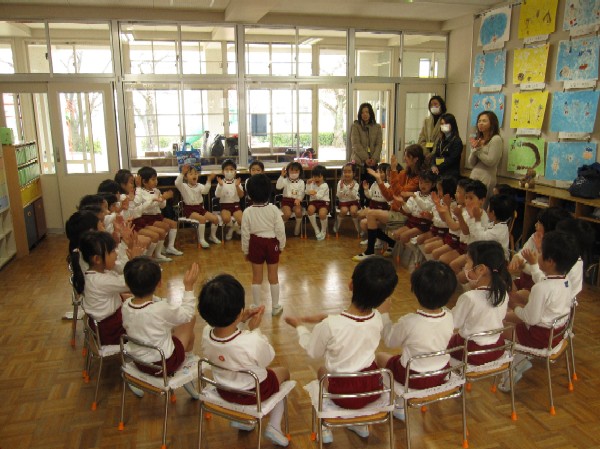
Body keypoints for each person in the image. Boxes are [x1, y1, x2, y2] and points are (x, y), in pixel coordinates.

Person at [285, 257, 398, 443]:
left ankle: (325, 426)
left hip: (343, 392)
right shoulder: (378, 318)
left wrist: (299, 326)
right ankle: (360, 424)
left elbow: (312, 351)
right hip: (372, 387)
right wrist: (327, 317)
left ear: (350, 285)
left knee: (321, 371)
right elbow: (352, 325)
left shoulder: (331, 325)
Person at [198, 274, 291, 447]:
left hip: (224, 390)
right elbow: (268, 358)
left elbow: (228, 341)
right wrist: (255, 330)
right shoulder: (250, 340)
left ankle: (245, 421)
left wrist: (240, 321)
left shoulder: (205, 334)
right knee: (283, 373)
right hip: (254, 392)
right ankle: (274, 426)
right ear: (240, 311)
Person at [376, 260, 456, 421]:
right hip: (441, 373)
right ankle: (399, 404)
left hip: (413, 377)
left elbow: (390, 341)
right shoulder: (450, 316)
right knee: (403, 357)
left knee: (380, 356)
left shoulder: (410, 321)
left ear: (416, 290)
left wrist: (384, 314)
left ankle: (396, 404)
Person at [500, 231, 580, 391]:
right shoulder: (565, 281)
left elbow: (530, 319)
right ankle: (520, 361)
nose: (538, 254)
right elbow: (542, 282)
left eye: (541, 252)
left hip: (539, 338)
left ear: (550, 261)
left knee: (500, 329)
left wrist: (514, 306)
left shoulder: (541, 288)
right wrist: (534, 264)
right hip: (556, 334)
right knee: (511, 316)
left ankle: (511, 370)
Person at [121, 257, 199, 398]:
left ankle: (185, 361)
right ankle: (185, 368)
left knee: (179, 329)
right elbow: (187, 314)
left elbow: (155, 308)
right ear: (159, 283)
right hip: (163, 365)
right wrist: (188, 287)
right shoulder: (160, 309)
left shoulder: (126, 305)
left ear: (127, 283)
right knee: (190, 321)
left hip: (139, 362)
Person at [353, 146, 423, 261]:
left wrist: (394, 170)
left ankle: (370, 251)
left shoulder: (418, 178)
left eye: (407, 156)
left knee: (370, 214)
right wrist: (379, 180)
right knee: (364, 223)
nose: (404, 159)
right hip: (395, 212)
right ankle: (390, 242)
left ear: (415, 159)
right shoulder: (404, 173)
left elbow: (400, 192)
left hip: (406, 215)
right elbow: (389, 196)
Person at [448, 241, 511, 365]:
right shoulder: (503, 294)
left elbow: (453, 323)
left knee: (440, 341)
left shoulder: (469, 297)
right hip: (496, 348)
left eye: (467, 262)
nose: (465, 266)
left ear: (481, 269)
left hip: (472, 352)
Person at [71, 230, 128, 345]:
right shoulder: (101, 280)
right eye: (112, 251)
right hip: (111, 331)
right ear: (97, 259)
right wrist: (135, 258)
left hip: (106, 325)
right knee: (147, 321)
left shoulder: (95, 274)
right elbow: (133, 283)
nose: (116, 254)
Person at [242, 174, 286, 316]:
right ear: (269, 192)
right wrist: (281, 245)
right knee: (273, 276)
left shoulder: (247, 212)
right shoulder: (274, 209)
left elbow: (245, 234)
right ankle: (275, 306)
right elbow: (280, 230)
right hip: (272, 244)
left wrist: (246, 251)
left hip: (255, 244)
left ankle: (256, 306)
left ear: (249, 194)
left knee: (256, 277)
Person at [508, 207, 571, 291]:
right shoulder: (535, 236)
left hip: (539, 285)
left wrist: (523, 266)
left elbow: (542, 273)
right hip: (526, 279)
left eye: (540, 223)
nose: (535, 225)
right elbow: (524, 251)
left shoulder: (555, 248)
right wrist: (517, 257)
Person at [438, 180, 488, 274]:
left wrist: (459, 216)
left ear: (481, 200)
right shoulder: (468, 211)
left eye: (471, 198)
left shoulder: (481, 215)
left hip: (476, 252)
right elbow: (465, 232)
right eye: (466, 197)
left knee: (452, 264)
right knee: (447, 262)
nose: (467, 201)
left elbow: (473, 236)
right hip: (466, 248)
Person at [133, 166, 182, 260]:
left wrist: (164, 199)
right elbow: (147, 206)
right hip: (147, 217)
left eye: (156, 179)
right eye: (153, 179)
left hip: (157, 215)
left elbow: (162, 206)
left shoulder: (156, 190)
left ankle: (169, 247)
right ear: (144, 181)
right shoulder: (140, 192)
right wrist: (162, 198)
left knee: (173, 223)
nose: (156, 181)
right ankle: (157, 252)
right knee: (164, 228)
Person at [175, 164, 221, 248]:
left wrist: (209, 180)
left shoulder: (200, 185)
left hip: (199, 208)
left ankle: (212, 236)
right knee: (202, 219)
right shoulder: (183, 186)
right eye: (191, 174)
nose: (194, 175)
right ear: (186, 177)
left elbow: (205, 191)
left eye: (195, 173)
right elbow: (177, 183)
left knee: (215, 219)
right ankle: (201, 239)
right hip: (189, 209)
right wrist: (182, 173)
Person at [390, 169, 437, 244]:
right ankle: (403, 247)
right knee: (396, 234)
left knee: (404, 236)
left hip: (423, 224)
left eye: (426, 182)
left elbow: (425, 207)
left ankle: (410, 245)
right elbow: (408, 210)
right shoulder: (415, 194)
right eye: (421, 182)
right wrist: (403, 203)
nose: (423, 185)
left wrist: (414, 196)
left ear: (433, 184)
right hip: (412, 221)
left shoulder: (433, 197)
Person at [350, 103, 383, 207]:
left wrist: (374, 158)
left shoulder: (377, 127)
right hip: (359, 162)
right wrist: (366, 159)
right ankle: (360, 207)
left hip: (373, 162)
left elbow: (379, 144)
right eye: (362, 112)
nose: (365, 114)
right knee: (359, 187)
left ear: (370, 113)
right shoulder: (356, 126)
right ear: (360, 114)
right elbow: (356, 144)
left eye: (367, 112)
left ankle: (370, 207)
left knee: (372, 185)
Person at [418, 176, 457, 255]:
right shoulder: (441, 201)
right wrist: (430, 216)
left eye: (439, 190)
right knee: (420, 240)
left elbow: (445, 223)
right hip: (435, 229)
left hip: (444, 232)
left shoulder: (453, 205)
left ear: (447, 190)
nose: (438, 192)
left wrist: (433, 217)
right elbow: (435, 215)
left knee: (428, 246)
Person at [468, 111, 503, 197]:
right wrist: (474, 149)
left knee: (482, 203)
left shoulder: (496, 139)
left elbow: (491, 162)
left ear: (492, 123)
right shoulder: (478, 139)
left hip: (487, 178)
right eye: (479, 121)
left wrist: (478, 150)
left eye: (484, 121)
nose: (481, 123)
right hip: (474, 176)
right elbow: (471, 163)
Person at [215, 159, 244, 241]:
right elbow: (217, 195)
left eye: (231, 169)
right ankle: (235, 228)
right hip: (225, 206)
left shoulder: (237, 182)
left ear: (235, 172)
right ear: (223, 172)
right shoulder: (221, 182)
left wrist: (237, 186)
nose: (229, 172)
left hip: (236, 205)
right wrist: (221, 185)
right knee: (226, 219)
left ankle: (231, 230)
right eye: (226, 170)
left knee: (242, 220)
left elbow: (241, 195)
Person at [276, 161, 305, 237]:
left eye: (296, 171)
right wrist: (282, 176)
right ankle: (280, 228)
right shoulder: (285, 180)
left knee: (298, 211)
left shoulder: (301, 182)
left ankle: (297, 226)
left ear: (300, 172)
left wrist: (299, 199)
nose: (294, 173)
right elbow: (278, 187)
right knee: (287, 214)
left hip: (296, 201)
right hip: (286, 201)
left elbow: (302, 192)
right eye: (292, 171)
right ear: (288, 171)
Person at [429, 112, 463, 179]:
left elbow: (451, 160)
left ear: (452, 125)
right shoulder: (440, 140)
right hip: (438, 171)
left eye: (446, 123)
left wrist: (437, 167)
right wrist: (433, 165)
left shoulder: (457, 141)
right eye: (442, 124)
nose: (443, 126)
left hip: (450, 174)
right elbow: (435, 154)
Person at [333, 162, 360, 235]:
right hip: (343, 202)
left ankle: (358, 228)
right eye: (344, 172)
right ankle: (337, 225)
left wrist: (350, 189)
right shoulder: (340, 183)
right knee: (344, 210)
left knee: (353, 211)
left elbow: (354, 197)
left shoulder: (356, 184)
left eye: (349, 172)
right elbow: (338, 195)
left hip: (353, 202)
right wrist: (342, 188)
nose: (347, 174)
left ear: (354, 174)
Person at [306, 165, 330, 241]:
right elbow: (307, 192)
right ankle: (316, 229)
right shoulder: (312, 184)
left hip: (324, 202)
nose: (316, 178)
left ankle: (323, 230)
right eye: (314, 176)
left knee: (322, 214)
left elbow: (319, 196)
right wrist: (308, 184)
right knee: (310, 210)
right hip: (313, 201)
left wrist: (312, 193)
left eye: (319, 177)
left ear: (323, 177)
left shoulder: (325, 185)